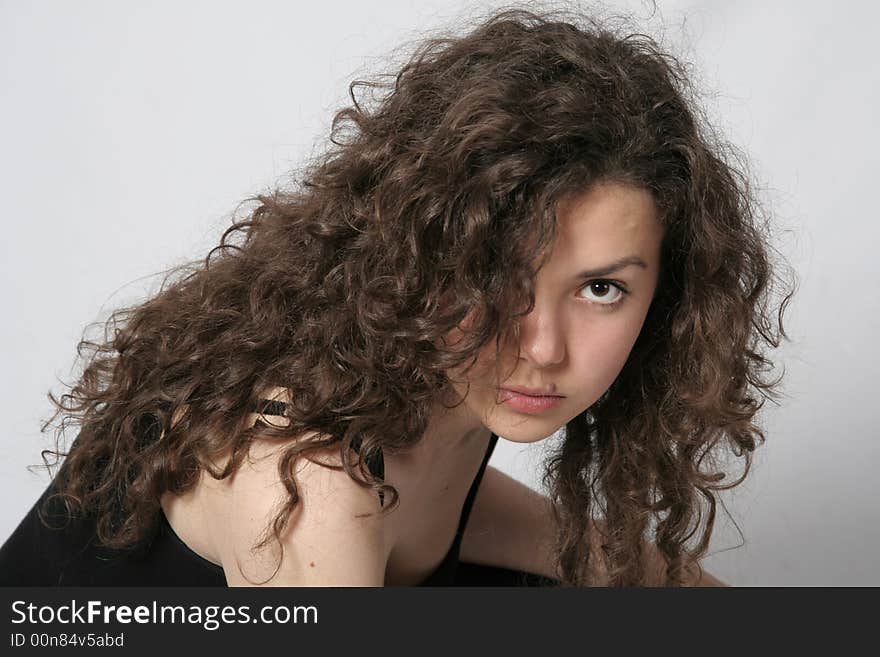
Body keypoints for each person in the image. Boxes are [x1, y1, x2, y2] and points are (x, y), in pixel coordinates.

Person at [0, 7, 794, 587]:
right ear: (418, 252)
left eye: (600, 287)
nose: (543, 346)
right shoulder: (309, 478)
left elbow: (463, 522)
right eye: (497, 272)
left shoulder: (434, 394)